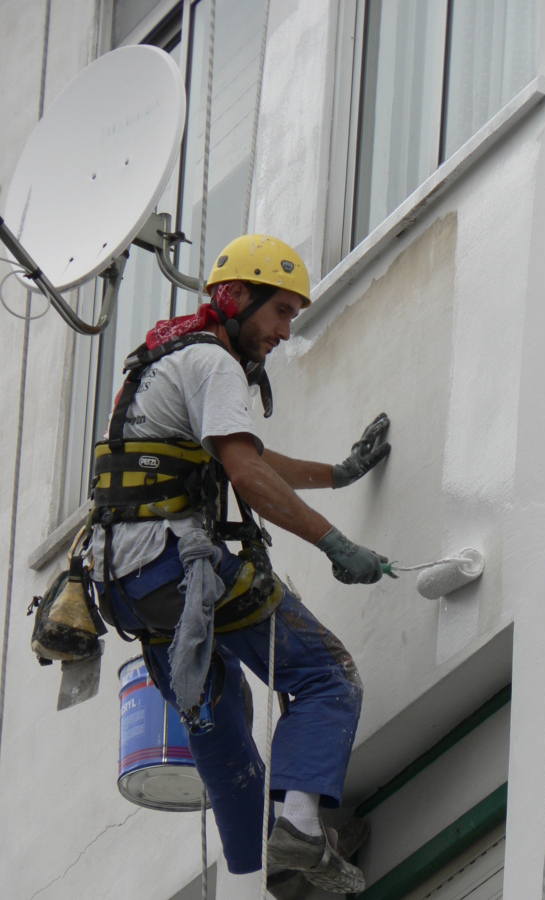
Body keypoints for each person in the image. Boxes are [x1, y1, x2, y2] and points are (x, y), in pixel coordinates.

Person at [89, 234, 390, 896]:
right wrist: (335, 544)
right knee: (325, 676)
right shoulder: (213, 363)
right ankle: (303, 834)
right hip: (177, 566)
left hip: (129, 588)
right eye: (280, 312)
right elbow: (247, 473)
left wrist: (337, 475)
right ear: (236, 297)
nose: (285, 331)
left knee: (218, 725)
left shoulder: (161, 365)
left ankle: (256, 877)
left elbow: (253, 456)